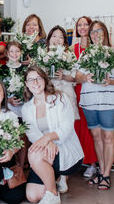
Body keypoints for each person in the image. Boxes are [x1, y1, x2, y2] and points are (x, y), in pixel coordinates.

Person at [75, 21, 114, 190]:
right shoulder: (86, 54)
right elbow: (77, 76)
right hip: (90, 101)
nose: (95, 34)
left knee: (108, 137)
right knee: (96, 136)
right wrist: (86, 78)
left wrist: (110, 81)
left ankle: (106, 174)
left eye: (99, 31)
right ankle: (100, 170)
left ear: (105, 33)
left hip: (110, 101)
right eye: (92, 32)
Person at [22, 65, 83, 204]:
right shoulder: (26, 108)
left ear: (44, 79)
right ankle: (55, 178)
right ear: (26, 84)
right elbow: (31, 133)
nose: (35, 83)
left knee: (33, 154)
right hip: (45, 151)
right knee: (32, 196)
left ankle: (53, 194)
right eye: (31, 80)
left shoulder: (59, 98)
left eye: (38, 78)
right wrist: (47, 142)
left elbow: (67, 127)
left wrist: (48, 138)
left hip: (64, 149)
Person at [45, 25, 80, 193]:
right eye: (54, 36)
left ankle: (64, 176)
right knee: (49, 135)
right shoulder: (43, 56)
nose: (57, 39)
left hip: (65, 96)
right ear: (49, 39)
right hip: (48, 98)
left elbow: (75, 78)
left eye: (60, 37)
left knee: (64, 136)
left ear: (64, 42)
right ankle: (50, 173)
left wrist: (63, 76)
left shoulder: (70, 56)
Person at [72, 16, 98, 178]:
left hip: (91, 91)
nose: (82, 27)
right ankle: (76, 160)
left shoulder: (96, 47)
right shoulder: (71, 48)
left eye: (85, 24)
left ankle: (93, 163)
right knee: (76, 126)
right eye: (79, 25)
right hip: (75, 91)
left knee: (91, 128)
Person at [0, 41, 28, 169]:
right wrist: (8, 100)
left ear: (21, 53)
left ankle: (20, 168)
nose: (14, 54)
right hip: (8, 108)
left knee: (22, 139)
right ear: (7, 53)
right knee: (8, 136)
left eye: (17, 51)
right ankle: (8, 166)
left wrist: (24, 95)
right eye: (12, 51)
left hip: (23, 108)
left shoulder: (25, 69)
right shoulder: (2, 70)